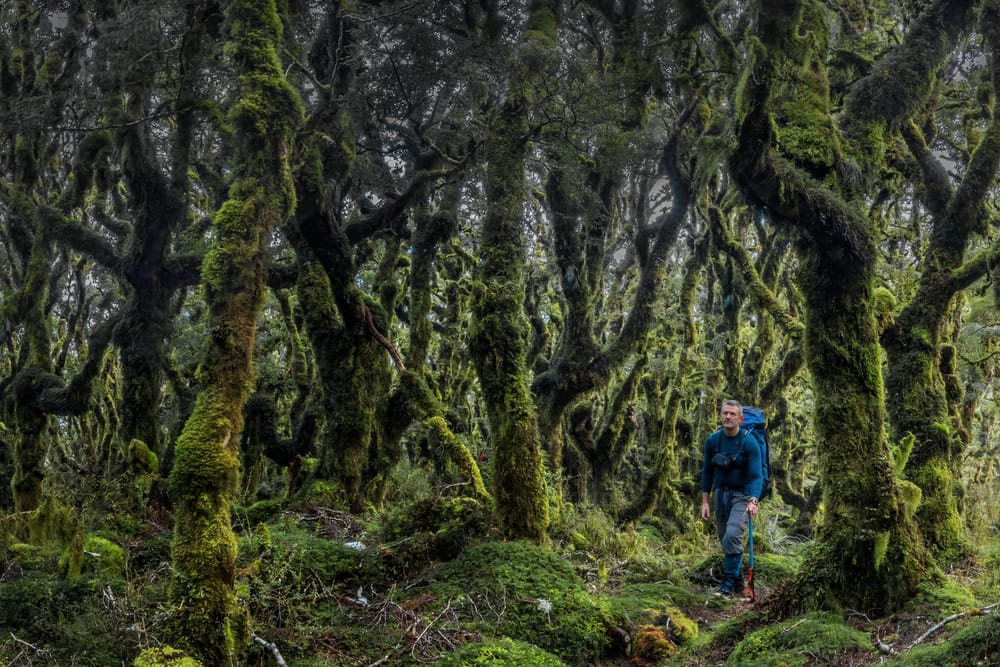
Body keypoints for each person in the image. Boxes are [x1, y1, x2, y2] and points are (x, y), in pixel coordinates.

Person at [700, 399, 762, 596]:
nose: (728, 416)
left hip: (742, 496)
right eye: (725, 413)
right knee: (725, 540)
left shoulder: (750, 442)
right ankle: (737, 583)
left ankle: (726, 587)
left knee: (732, 535)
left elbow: (756, 476)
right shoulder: (713, 441)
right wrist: (704, 502)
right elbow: (707, 472)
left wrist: (753, 500)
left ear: (740, 419)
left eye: (732, 414)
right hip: (720, 495)